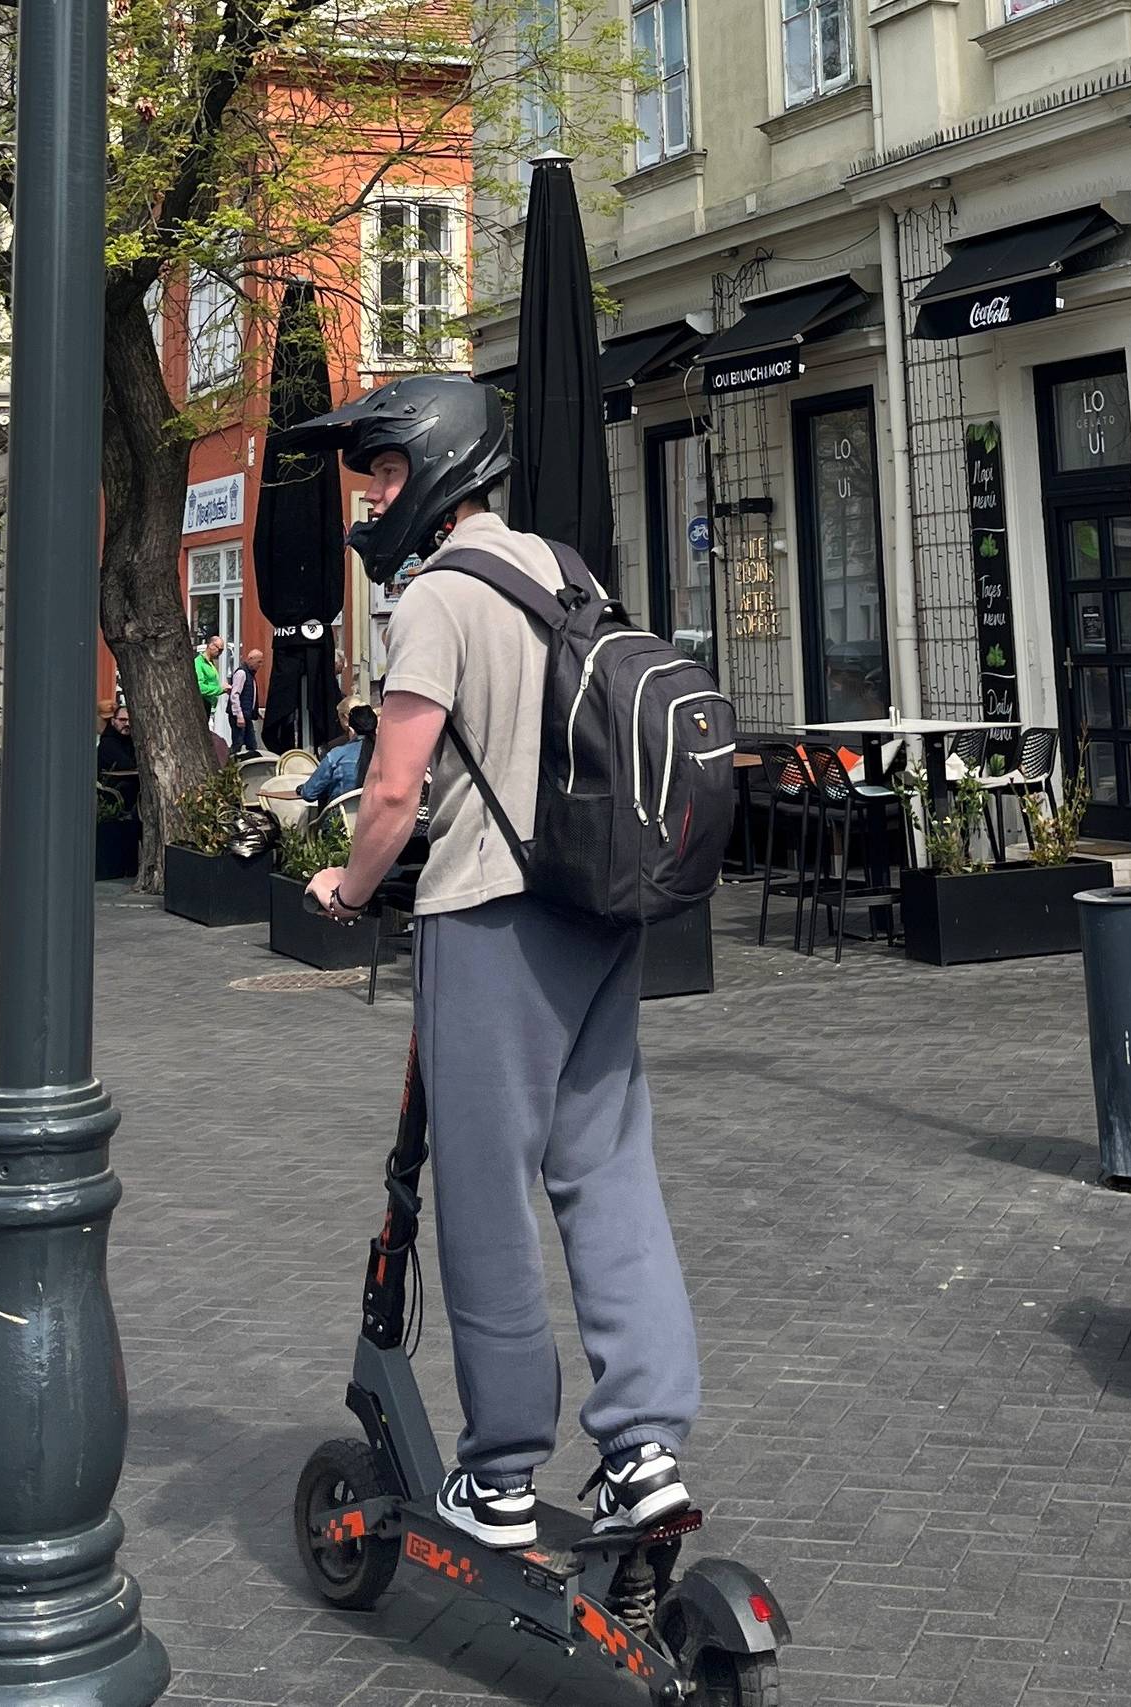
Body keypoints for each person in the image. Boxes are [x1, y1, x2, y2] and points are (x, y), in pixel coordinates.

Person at [291, 376, 700, 1552]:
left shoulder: (437, 600)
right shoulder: (566, 571)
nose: (370, 493)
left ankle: (502, 1473)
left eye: (378, 469)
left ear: (428, 467)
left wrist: (347, 886)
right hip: (599, 907)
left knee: (483, 1200)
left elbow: (391, 789)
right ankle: (645, 1451)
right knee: (609, 1176)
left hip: (493, 921)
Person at [298, 702, 377, 807]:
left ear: (351, 729)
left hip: (342, 821)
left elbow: (309, 794)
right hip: (381, 819)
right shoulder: (389, 755)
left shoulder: (336, 755)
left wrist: (301, 789)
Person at [97, 700, 139, 820]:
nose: (127, 724)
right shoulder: (109, 743)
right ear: (113, 721)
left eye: (130, 720)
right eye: (122, 720)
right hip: (112, 797)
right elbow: (127, 765)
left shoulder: (131, 740)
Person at [230, 646, 265, 755]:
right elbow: (235, 695)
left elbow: (251, 696)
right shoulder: (242, 673)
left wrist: (256, 712)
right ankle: (230, 765)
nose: (260, 665)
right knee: (238, 743)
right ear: (250, 659)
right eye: (258, 662)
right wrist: (238, 715)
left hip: (246, 715)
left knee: (251, 744)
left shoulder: (250, 674)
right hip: (239, 716)